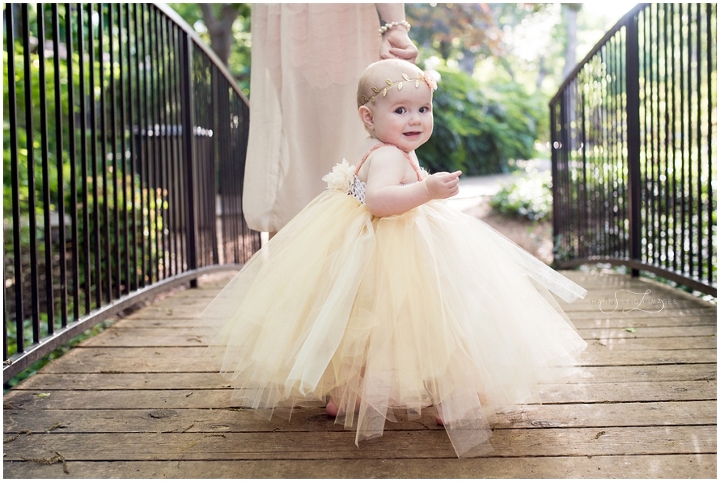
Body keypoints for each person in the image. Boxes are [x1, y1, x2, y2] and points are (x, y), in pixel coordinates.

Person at [203, 59, 588, 458]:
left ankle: (348, 393)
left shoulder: (394, 151)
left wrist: (424, 188)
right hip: (392, 249)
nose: (415, 119)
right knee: (435, 318)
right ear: (368, 117)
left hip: (385, 246)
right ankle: (449, 397)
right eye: (400, 110)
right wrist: (427, 192)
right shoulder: (388, 156)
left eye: (423, 109)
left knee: (368, 324)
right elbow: (379, 201)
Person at [243, 4, 419, 236]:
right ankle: (301, 264)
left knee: (348, 152)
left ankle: (353, 262)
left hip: (334, 20)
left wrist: (395, 26)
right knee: (301, 162)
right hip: (287, 20)